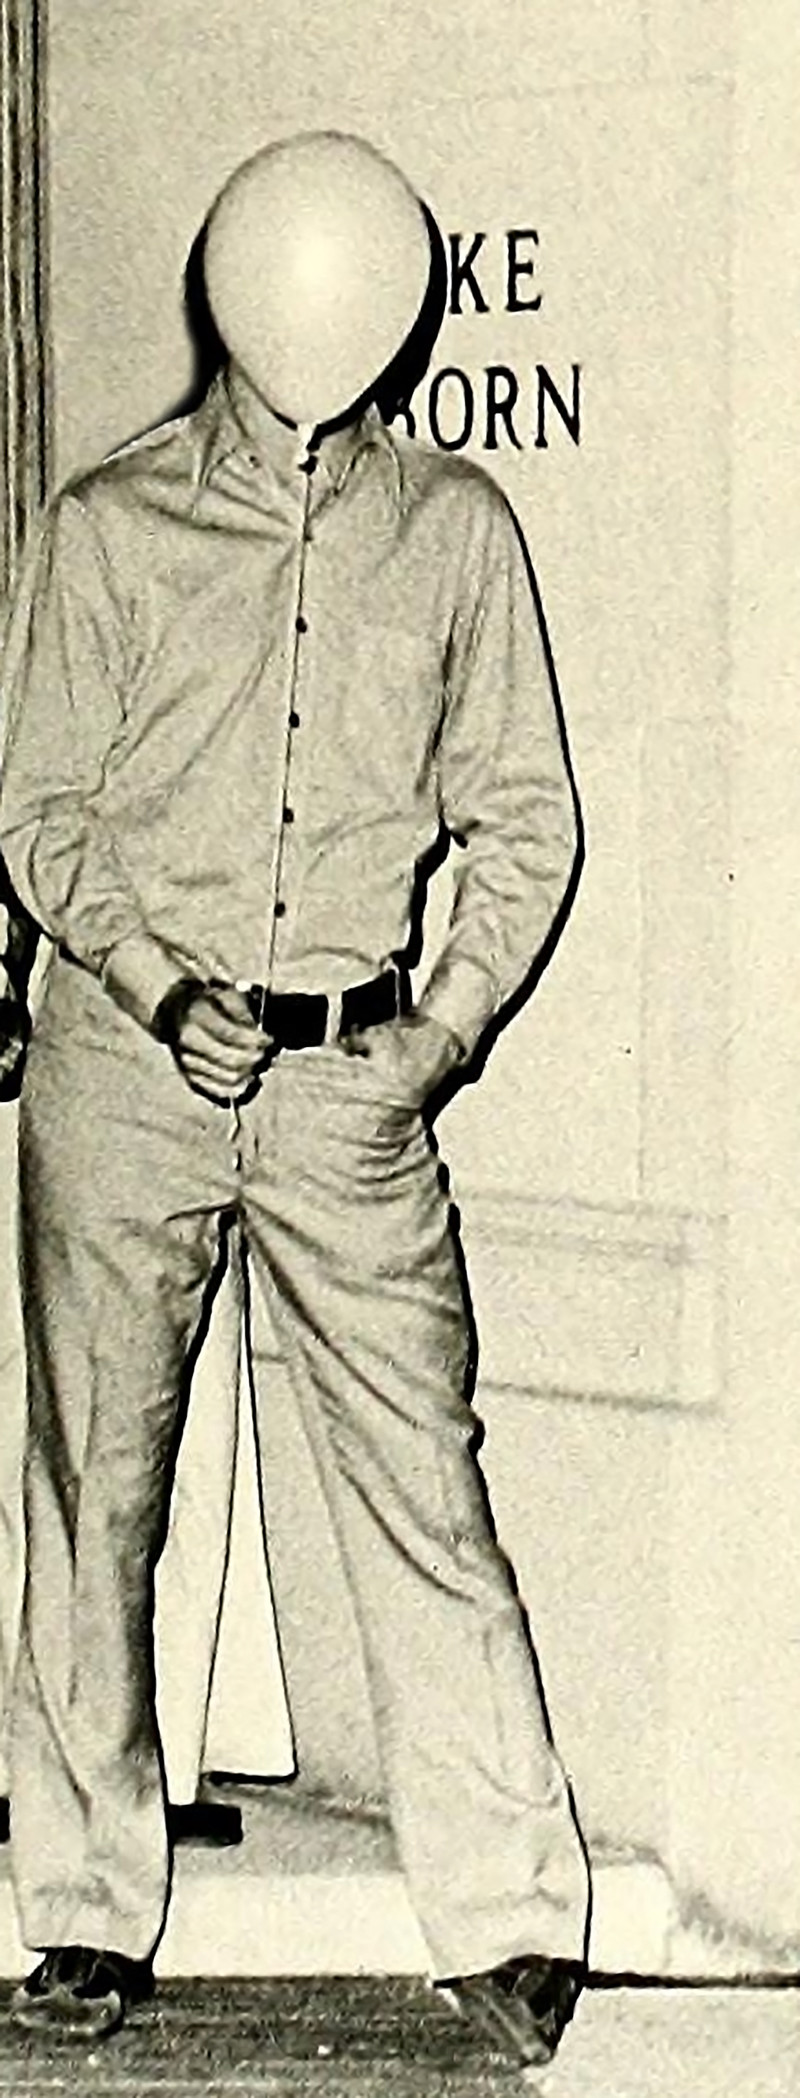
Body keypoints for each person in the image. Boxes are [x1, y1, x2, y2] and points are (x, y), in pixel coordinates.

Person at [0, 129, 591, 2064]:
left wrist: (439, 1035)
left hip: (351, 1085)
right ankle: (81, 1911)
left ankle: (512, 1915)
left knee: (424, 1476)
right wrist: (157, 986)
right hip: (126, 1072)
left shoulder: (459, 532)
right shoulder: (109, 523)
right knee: (95, 1494)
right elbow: (40, 809)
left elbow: (524, 818)